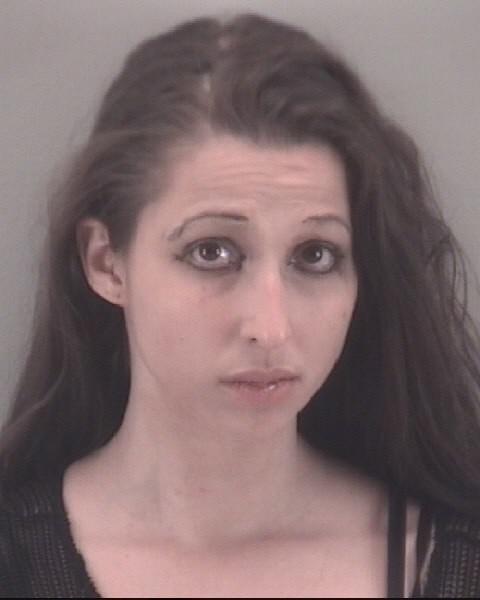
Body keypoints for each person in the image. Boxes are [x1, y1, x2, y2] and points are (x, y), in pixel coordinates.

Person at [1, 11, 479, 598]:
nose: (270, 328)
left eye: (315, 255)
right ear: (106, 262)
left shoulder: (457, 563)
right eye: (211, 252)